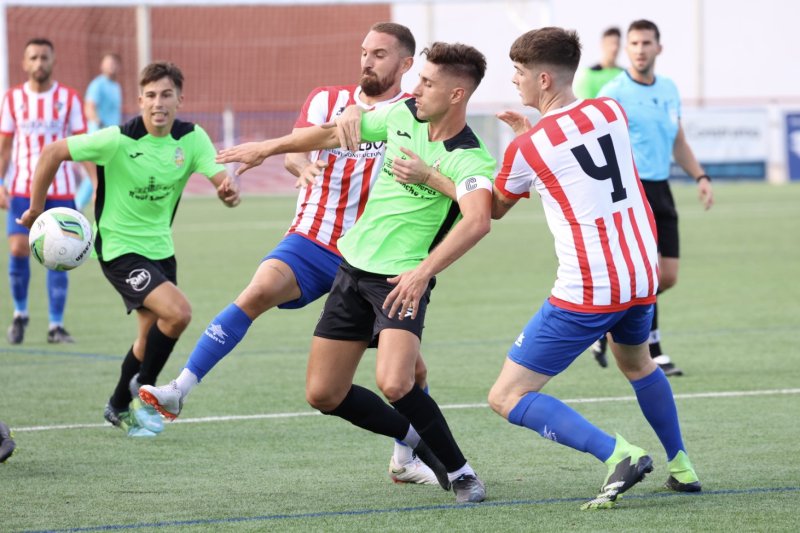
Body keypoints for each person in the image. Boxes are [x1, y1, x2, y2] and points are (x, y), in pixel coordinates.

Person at [140, 22, 437, 485]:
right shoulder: (326, 100)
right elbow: (295, 152)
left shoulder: (413, 113)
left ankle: (405, 457)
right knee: (257, 291)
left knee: (409, 370)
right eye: (364, 51)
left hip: (374, 256)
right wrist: (304, 165)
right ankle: (180, 388)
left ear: (405, 65)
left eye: (380, 54)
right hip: (313, 237)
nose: (367, 60)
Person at [212, 41, 495, 503]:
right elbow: (327, 134)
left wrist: (422, 270)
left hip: (401, 280)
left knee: (396, 382)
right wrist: (269, 147)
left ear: (457, 94)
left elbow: (478, 218)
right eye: (418, 79)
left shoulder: (470, 155)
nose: (415, 89)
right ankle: (419, 441)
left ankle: (462, 473)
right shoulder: (402, 117)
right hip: (352, 270)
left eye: (427, 83)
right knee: (324, 394)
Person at [480, 27, 700, 509]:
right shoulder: (610, 110)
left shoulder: (527, 149)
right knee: (637, 363)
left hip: (590, 287)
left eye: (517, 73)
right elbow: (572, 159)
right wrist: (528, 133)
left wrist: (434, 175)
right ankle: (681, 465)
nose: (513, 81)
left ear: (541, 79)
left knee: (506, 395)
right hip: (641, 274)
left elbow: (492, 208)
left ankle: (618, 455)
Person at [18, 61, 241, 438]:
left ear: (179, 100)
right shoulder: (117, 140)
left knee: (147, 336)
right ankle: (145, 390)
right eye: (151, 95)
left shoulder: (192, 139)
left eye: (166, 95)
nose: (159, 103)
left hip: (161, 250)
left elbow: (222, 179)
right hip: (119, 249)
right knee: (179, 313)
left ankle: (118, 403)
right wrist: (37, 209)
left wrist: (228, 190)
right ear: (139, 100)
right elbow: (53, 151)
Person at [596, 19, 714, 375]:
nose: (640, 49)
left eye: (646, 43)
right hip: (631, 192)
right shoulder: (613, 93)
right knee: (647, 273)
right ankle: (655, 350)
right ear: (627, 49)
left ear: (658, 48)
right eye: (634, 43)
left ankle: (605, 322)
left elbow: (678, 141)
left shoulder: (669, 89)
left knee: (668, 275)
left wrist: (700, 175)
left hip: (661, 188)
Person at [0, 38, 87, 345]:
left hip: (61, 189)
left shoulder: (70, 99)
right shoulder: (12, 99)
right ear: (24, 63)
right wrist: (0, 183)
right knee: (18, 249)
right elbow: (5, 148)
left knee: (60, 253)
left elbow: (83, 146)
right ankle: (20, 314)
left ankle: (56, 325)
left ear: (53, 61)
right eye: (33, 57)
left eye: (44, 57)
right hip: (22, 186)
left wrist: (97, 181)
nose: (39, 63)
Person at [76, 53, 122, 211]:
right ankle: (77, 205)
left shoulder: (116, 86)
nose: (111, 66)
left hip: (113, 137)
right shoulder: (97, 85)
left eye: (114, 63)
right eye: (108, 63)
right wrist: (99, 124)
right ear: (102, 65)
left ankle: (105, 205)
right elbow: (89, 107)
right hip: (99, 135)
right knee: (96, 172)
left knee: (107, 173)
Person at [573, 27, 623, 99]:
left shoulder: (624, 74)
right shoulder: (588, 74)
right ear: (602, 44)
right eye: (610, 43)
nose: (614, 48)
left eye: (617, 44)